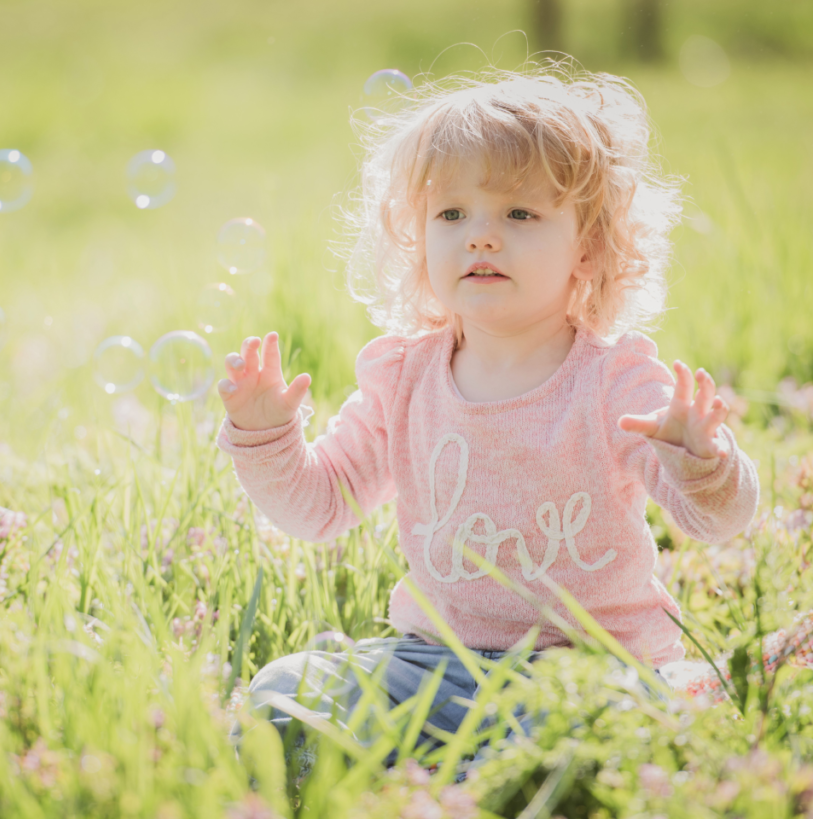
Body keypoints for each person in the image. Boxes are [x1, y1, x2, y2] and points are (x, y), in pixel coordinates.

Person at [215, 65, 760, 773]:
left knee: (578, 735)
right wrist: (266, 437)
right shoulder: (405, 376)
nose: (480, 237)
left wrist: (703, 461)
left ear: (588, 248)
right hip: (433, 664)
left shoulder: (613, 380)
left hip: (588, 671)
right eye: (451, 215)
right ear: (418, 239)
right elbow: (320, 507)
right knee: (283, 694)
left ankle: (495, 772)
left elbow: (718, 519)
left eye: (519, 214)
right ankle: (479, 769)